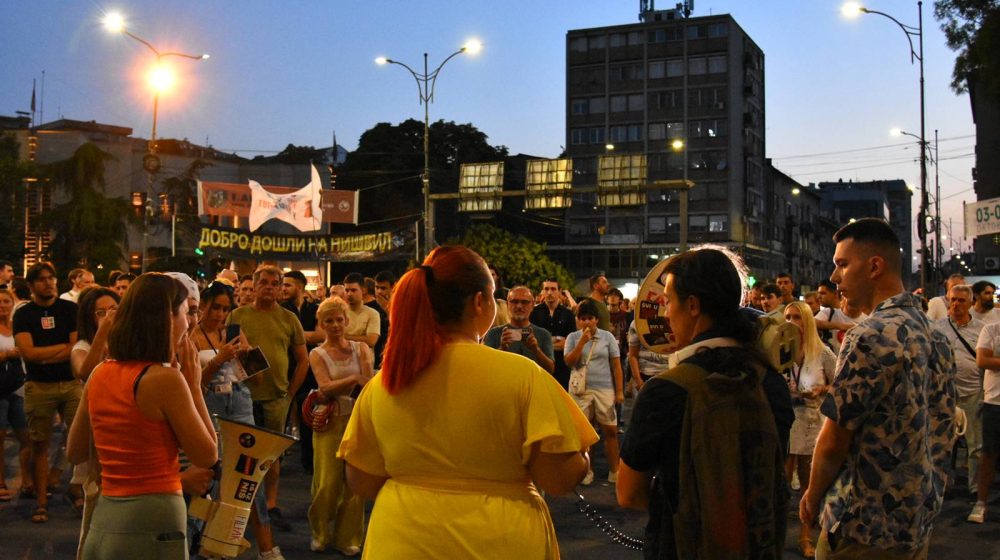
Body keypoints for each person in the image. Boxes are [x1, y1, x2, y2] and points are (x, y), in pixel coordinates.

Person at [338, 246, 597, 558]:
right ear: (479, 302)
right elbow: (558, 477)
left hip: (400, 537)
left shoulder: (385, 382)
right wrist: (582, 455)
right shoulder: (524, 376)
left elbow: (361, 480)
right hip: (498, 538)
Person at [617, 246, 792, 559]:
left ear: (693, 305)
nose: (666, 313)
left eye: (669, 301)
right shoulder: (771, 380)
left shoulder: (665, 390)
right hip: (758, 546)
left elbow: (629, 492)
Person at [801, 218, 956, 558]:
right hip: (916, 522)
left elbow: (834, 439)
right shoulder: (937, 336)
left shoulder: (869, 335)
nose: (834, 277)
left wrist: (812, 497)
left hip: (864, 528)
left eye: (842, 264)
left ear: (874, 266)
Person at [66, 273, 218, 559]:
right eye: (186, 313)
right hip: (154, 514)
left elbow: (75, 451)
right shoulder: (164, 380)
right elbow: (207, 455)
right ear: (166, 319)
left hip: (108, 512)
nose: (189, 323)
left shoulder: (101, 373)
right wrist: (195, 387)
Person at [227, 265, 308, 532]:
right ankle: (243, 506)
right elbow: (226, 353)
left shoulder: (289, 319)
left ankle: (271, 506)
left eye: (275, 283)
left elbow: (302, 361)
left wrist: (290, 394)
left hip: (276, 398)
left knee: (272, 458)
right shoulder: (237, 316)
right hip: (242, 397)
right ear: (254, 284)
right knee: (243, 455)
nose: (269, 287)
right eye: (264, 282)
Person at [14, 262, 79, 523]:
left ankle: (75, 487)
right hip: (39, 386)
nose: (49, 283)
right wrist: (60, 349)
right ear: (31, 285)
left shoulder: (69, 309)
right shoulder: (23, 314)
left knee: (79, 438)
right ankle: (41, 502)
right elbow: (27, 353)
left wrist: (44, 355)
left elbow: (75, 347)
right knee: (39, 444)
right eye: (42, 279)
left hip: (71, 382)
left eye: (52, 278)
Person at [307, 297, 372, 556]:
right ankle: (319, 532)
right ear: (321, 324)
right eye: (329, 321)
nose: (335, 325)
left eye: (339, 320)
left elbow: (367, 382)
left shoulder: (361, 348)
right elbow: (324, 386)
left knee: (355, 486)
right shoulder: (317, 353)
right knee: (327, 482)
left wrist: (353, 381)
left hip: (358, 420)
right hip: (329, 423)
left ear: (347, 321)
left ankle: (348, 538)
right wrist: (354, 378)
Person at [784, 301, 837, 558]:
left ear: (807, 321)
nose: (792, 322)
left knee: (808, 485)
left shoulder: (822, 352)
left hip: (810, 422)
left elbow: (841, 383)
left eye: (797, 317)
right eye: (787, 317)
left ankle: (805, 537)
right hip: (784, 420)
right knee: (779, 483)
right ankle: (775, 533)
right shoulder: (779, 349)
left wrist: (821, 390)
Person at [69, 287, 120, 546]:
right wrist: (102, 334)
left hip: (123, 428)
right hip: (96, 430)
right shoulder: (84, 346)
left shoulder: (128, 344)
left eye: (113, 310)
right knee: (97, 499)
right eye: (100, 312)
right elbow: (84, 371)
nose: (108, 316)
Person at [933, 284, 985, 500]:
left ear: (971, 303)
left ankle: (975, 488)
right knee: (941, 444)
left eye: (961, 301)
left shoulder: (982, 329)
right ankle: (941, 485)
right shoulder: (938, 327)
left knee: (975, 446)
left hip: (973, 393)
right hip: (945, 395)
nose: (955, 304)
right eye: (952, 300)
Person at [565, 299, 624, 485]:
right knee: (585, 432)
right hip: (580, 390)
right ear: (577, 320)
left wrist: (620, 391)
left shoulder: (607, 337)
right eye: (582, 319)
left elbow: (616, 366)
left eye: (590, 318)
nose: (586, 322)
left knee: (610, 430)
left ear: (596, 320)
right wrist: (582, 342)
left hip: (604, 388)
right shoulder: (573, 337)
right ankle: (586, 470)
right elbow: (569, 362)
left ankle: (615, 470)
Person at [0, 289, 30, 503]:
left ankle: (27, 480)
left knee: (26, 437)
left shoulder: (18, 327)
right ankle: (1, 483)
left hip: (19, 388)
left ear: (13, 303)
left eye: (6, 301)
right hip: (0, 389)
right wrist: (6, 355)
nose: (2, 305)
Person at [483, 286, 555, 373]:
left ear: (532, 305)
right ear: (507, 304)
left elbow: (551, 369)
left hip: (533, 385)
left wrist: (536, 350)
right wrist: (502, 348)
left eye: (524, 302)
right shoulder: (494, 333)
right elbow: (485, 366)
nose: (519, 306)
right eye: (514, 301)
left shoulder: (544, 334)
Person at [529, 278, 577, 389]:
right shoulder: (534, 313)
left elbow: (570, 343)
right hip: (539, 367)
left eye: (553, 289)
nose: (549, 292)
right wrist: (556, 340)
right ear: (542, 291)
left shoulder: (568, 314)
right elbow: (532, 340)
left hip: (562, 369)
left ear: (559, 292)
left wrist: (545, 343)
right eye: (546, 289)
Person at [342, 273, 380, 350]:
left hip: (363, 359)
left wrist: (343, 337)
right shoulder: (339, 312)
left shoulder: (372, 313)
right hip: (341, 359)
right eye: (347, 290)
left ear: (363, 290)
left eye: (353, 290)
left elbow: (371, 341)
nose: (349, 294)